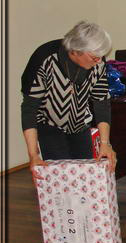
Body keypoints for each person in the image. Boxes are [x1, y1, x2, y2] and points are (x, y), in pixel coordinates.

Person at [21, 21, 117, 178]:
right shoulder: (44, 59)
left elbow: (102, 103)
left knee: (84, 178)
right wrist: (33, 155)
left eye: (101, 57)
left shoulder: (98, 62)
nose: (99, 62)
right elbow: (29, 109)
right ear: (76, 51)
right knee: (61, 178)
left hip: (80, 125)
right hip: (49, 125)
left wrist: (105, 143)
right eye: (94, 57)